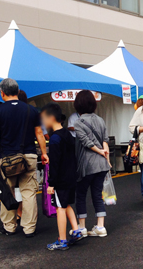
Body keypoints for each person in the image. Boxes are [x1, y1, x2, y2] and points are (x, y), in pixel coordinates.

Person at [0, 79, 48, 237]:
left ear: (2, 93)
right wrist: (44, 153)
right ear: (17, 90)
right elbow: (39, 133)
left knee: (7, 191)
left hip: (7, 158)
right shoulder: (31, 110)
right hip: (28, 155)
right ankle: (29, 228)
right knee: (29, 192)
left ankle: (9, 226)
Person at [40, 103, 83, 250]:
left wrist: (51, 183)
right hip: (71, 177)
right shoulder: (68, 135)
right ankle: (76, 230)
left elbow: (55, 164)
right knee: (66, 204)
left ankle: (62, 240)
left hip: (60, 180)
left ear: (51, 118)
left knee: (60, 208)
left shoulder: (54, 139)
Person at [73, 90, 111, 236]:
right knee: (97, 194)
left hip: (87, 165)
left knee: (81, 194)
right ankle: (100, 227)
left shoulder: (78, 123)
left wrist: (100, 151)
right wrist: (105, 154)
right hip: (101, 165)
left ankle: (82, 227)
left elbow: (86, 142)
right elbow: (105, 140)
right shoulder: (100, 120)